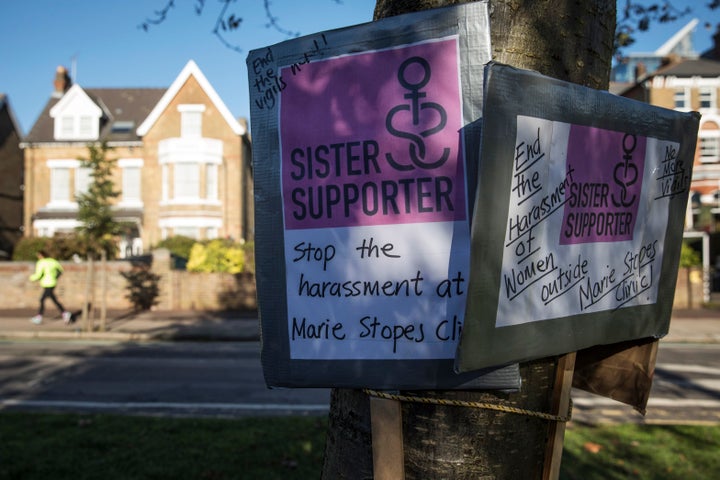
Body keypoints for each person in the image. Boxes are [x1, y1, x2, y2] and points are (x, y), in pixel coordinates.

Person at [29, 250, 72, 325]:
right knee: (53, 300)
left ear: (41, 255)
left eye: (39, 256)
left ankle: (39, 317)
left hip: (47, 283)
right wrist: (55, 277)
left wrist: (31, 278)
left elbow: (39, 274)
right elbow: (60, 270)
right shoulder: (53, 261)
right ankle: (65, 313)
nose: (38, 257)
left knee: (42, 299)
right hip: (52, 283)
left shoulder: (41, 263)